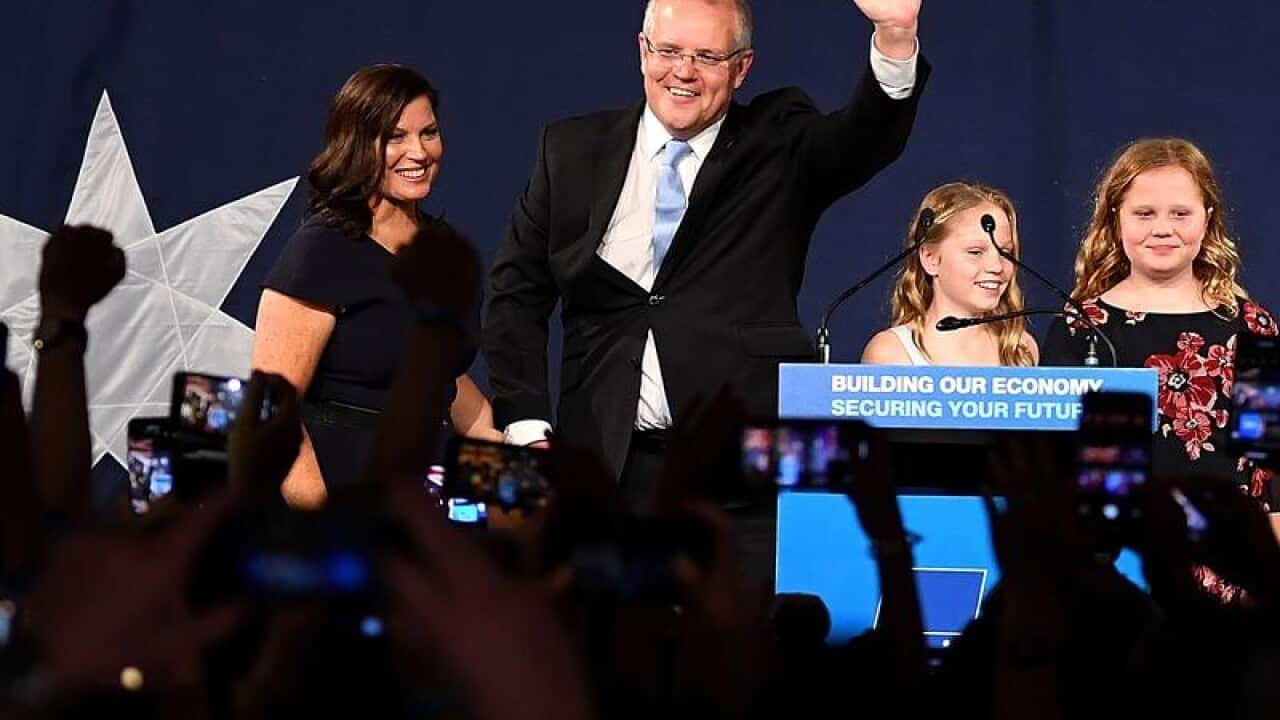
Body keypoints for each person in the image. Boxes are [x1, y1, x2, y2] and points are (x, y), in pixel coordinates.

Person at [484, 0, 929, 510]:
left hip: (746, 472)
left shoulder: (777, 139)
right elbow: (514, 295)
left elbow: (863, 139)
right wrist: (527, 429)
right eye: (669, 51)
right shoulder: (572, 149)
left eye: (707, 57)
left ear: (742, 67)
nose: (683, 71)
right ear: (642, 51)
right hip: (601, 468)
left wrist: (895, 34)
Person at [1040, 137, 1280, 595]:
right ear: (1115, 218)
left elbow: (1272, 467)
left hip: (1233, 573)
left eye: (1180, 214)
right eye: (1144, 214)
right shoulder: (1079, 328)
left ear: (1207, 218)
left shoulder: (1252, 325)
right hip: (1116, 577)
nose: (1163, 229)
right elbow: (1059, 470)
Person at [252, 64, 498, 508]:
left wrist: (499, 442)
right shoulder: (322, 251)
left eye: (429, 133)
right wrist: (324, 533)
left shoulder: (443, 250)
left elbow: (441, 375)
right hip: (342, 495)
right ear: (358, 145)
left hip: (429, 498)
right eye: (395, 137)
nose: (419, 152)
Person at [861, 182, 1038, 366]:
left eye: (1005, 253)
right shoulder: (891, 353)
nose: (997, 266)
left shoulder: (1021, 349)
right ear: (930, 259)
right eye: (975, 252)